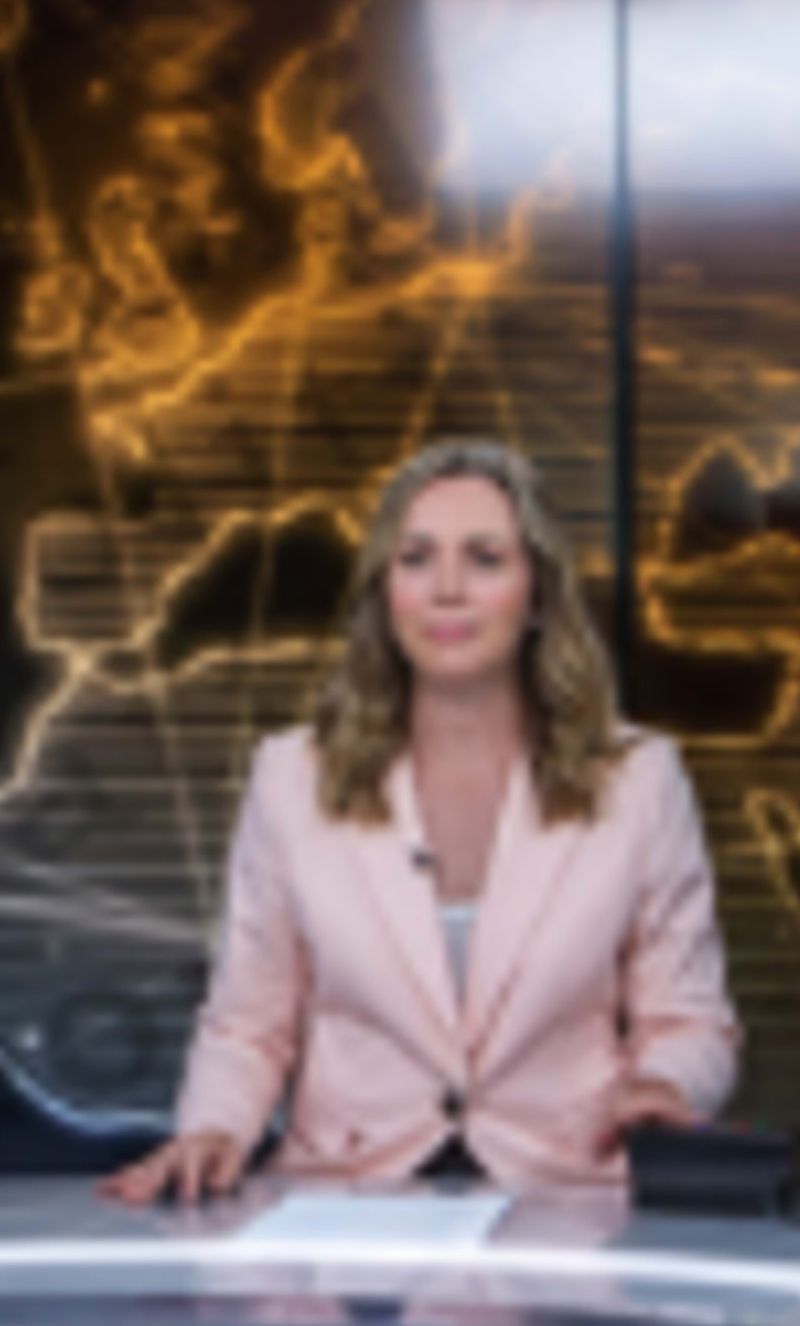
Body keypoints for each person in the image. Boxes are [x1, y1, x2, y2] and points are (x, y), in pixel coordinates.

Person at [105, 439, 739, 1203]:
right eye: (415, 558)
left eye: (484, 558)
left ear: (536, 592)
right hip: (344, 1203)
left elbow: (690, 1022)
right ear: (384, 592)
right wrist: (213, 1129)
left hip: (563, 1196)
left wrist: (665, 1087)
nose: (446, 590)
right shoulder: (291, 779)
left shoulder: (638, 781)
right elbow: (249, 1022)